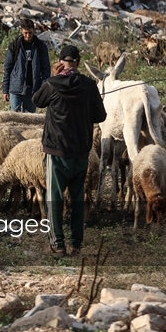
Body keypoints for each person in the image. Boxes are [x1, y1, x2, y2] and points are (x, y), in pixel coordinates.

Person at [32, 45, 107, 255]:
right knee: (77, 198)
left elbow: (37, 100)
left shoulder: (53, 84)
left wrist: (52, 77)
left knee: (54, 198)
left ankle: (57, 244)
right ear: (77, 62)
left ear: (61, 61)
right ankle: (76, 243)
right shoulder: (89, 85)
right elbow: (100, 117)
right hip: (81, 152)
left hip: (57, 151)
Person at [2, 18, 51, 112]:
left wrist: (43, 89)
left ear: (34, 31)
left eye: (30, 33)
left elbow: (46, 70)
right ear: (21, 31)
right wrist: (5, 90)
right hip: (16, 89)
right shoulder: (14, 46)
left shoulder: (41, 47)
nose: (28, 36)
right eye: (25, 33)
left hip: (33, 90)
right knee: (14, 120)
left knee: (29, 121)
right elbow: (8, 69)